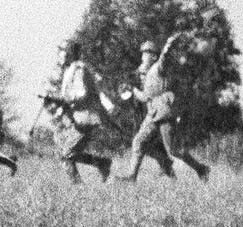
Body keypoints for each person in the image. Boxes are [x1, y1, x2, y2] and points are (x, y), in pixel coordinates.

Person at [119, 38, 210, 183]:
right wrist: (132, 89)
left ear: (154, 56)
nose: (143, 57)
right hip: (153, 114)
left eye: (146, 54)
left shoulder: (159, 67)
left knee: (173, 150)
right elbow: (145, 97)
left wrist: (169, 43)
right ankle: (131, 177)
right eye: (142, 54)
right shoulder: (147, 76)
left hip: (164, 113)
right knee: (138, 141)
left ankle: (201, 169)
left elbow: (165, 56)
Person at [51, 42, 113, 183]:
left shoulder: (78, 69)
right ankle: (101, 163)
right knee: (66, 152)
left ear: (70, 54)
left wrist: (63, 99)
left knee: (66, 154)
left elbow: (82, 93)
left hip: (85, 117)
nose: (60, 58)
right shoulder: (70, 70)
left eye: (63, 54)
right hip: (77, 117)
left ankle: (78, 185)